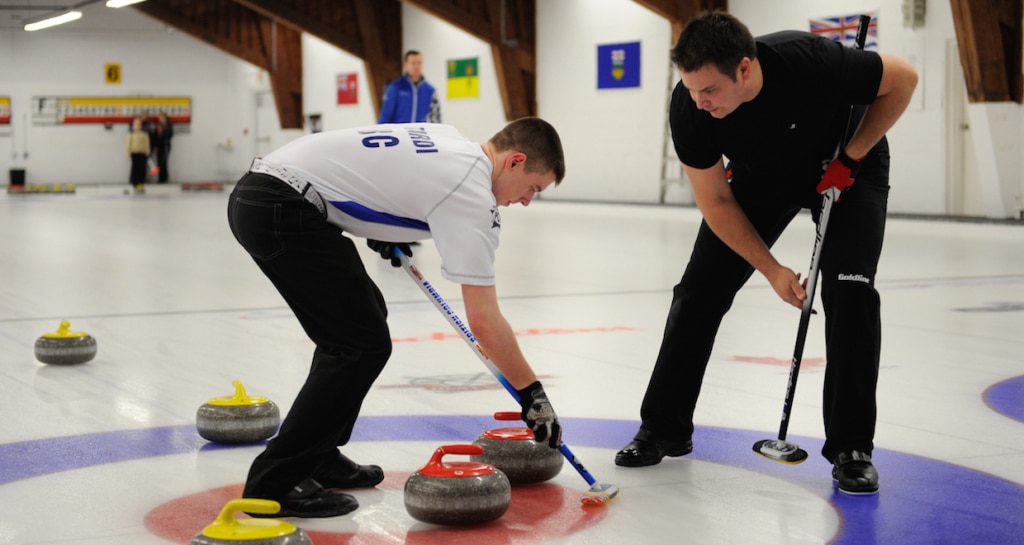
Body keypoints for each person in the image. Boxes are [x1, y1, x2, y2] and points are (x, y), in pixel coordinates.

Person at [614, 11, 917, 496]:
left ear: (746, 69)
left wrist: (852, 157)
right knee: (699, 291)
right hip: (764, 174)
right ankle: (664, 427)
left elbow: (903, 79)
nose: (700, 101)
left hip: (845, 161)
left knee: (851, 292)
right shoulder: (691, 109)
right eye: (691, 89)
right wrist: (772, 270)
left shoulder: (810, 60)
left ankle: (851, 448)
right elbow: (715, 201)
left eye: (710, 90)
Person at [227, 117, 565, 518]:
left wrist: (385, 220)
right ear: (515, 161)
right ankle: (275, 483)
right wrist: (533, 395)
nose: (526, 201)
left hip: (271, 194)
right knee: (358, 344)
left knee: (364, 323)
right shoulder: (471, 192)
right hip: (281, 209)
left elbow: (384, 169)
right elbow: (485, 321)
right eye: (533, 188)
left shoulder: (448, 138)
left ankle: (317, 455)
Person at [378, 50, 441, 124]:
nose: (416, 66)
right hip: (399, 133)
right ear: (405, 65)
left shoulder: (430, 91)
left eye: (419, 63)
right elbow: (385, 116)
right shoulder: (395, 88)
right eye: (413, 63)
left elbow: (436, 119)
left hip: (419, 134)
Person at [126, 116, 151, 186]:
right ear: (134, 122)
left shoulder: (144, 130)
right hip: (134, 151)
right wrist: (128, 152)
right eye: (136, 121)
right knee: (135, 168)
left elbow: (147, 142)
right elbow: (128, 142)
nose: (138, 123)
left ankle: (141, 182)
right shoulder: (131, 131)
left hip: (142, 152)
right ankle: (134, 182)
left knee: (142, 168)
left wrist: (147, 151)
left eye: (139, 121)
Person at [151, 112, 173, 183]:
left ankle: (165, 178)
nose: (160, 119)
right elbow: (155, 136)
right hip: (159, 146)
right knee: (159, 162)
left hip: (165, 145)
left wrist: (163, 131)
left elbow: (170, 135)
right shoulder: (158, 125)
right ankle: (160, 178)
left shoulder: (168, 125)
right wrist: (155, 145)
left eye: (162, 117)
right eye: (160, 118)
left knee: (164, 162)